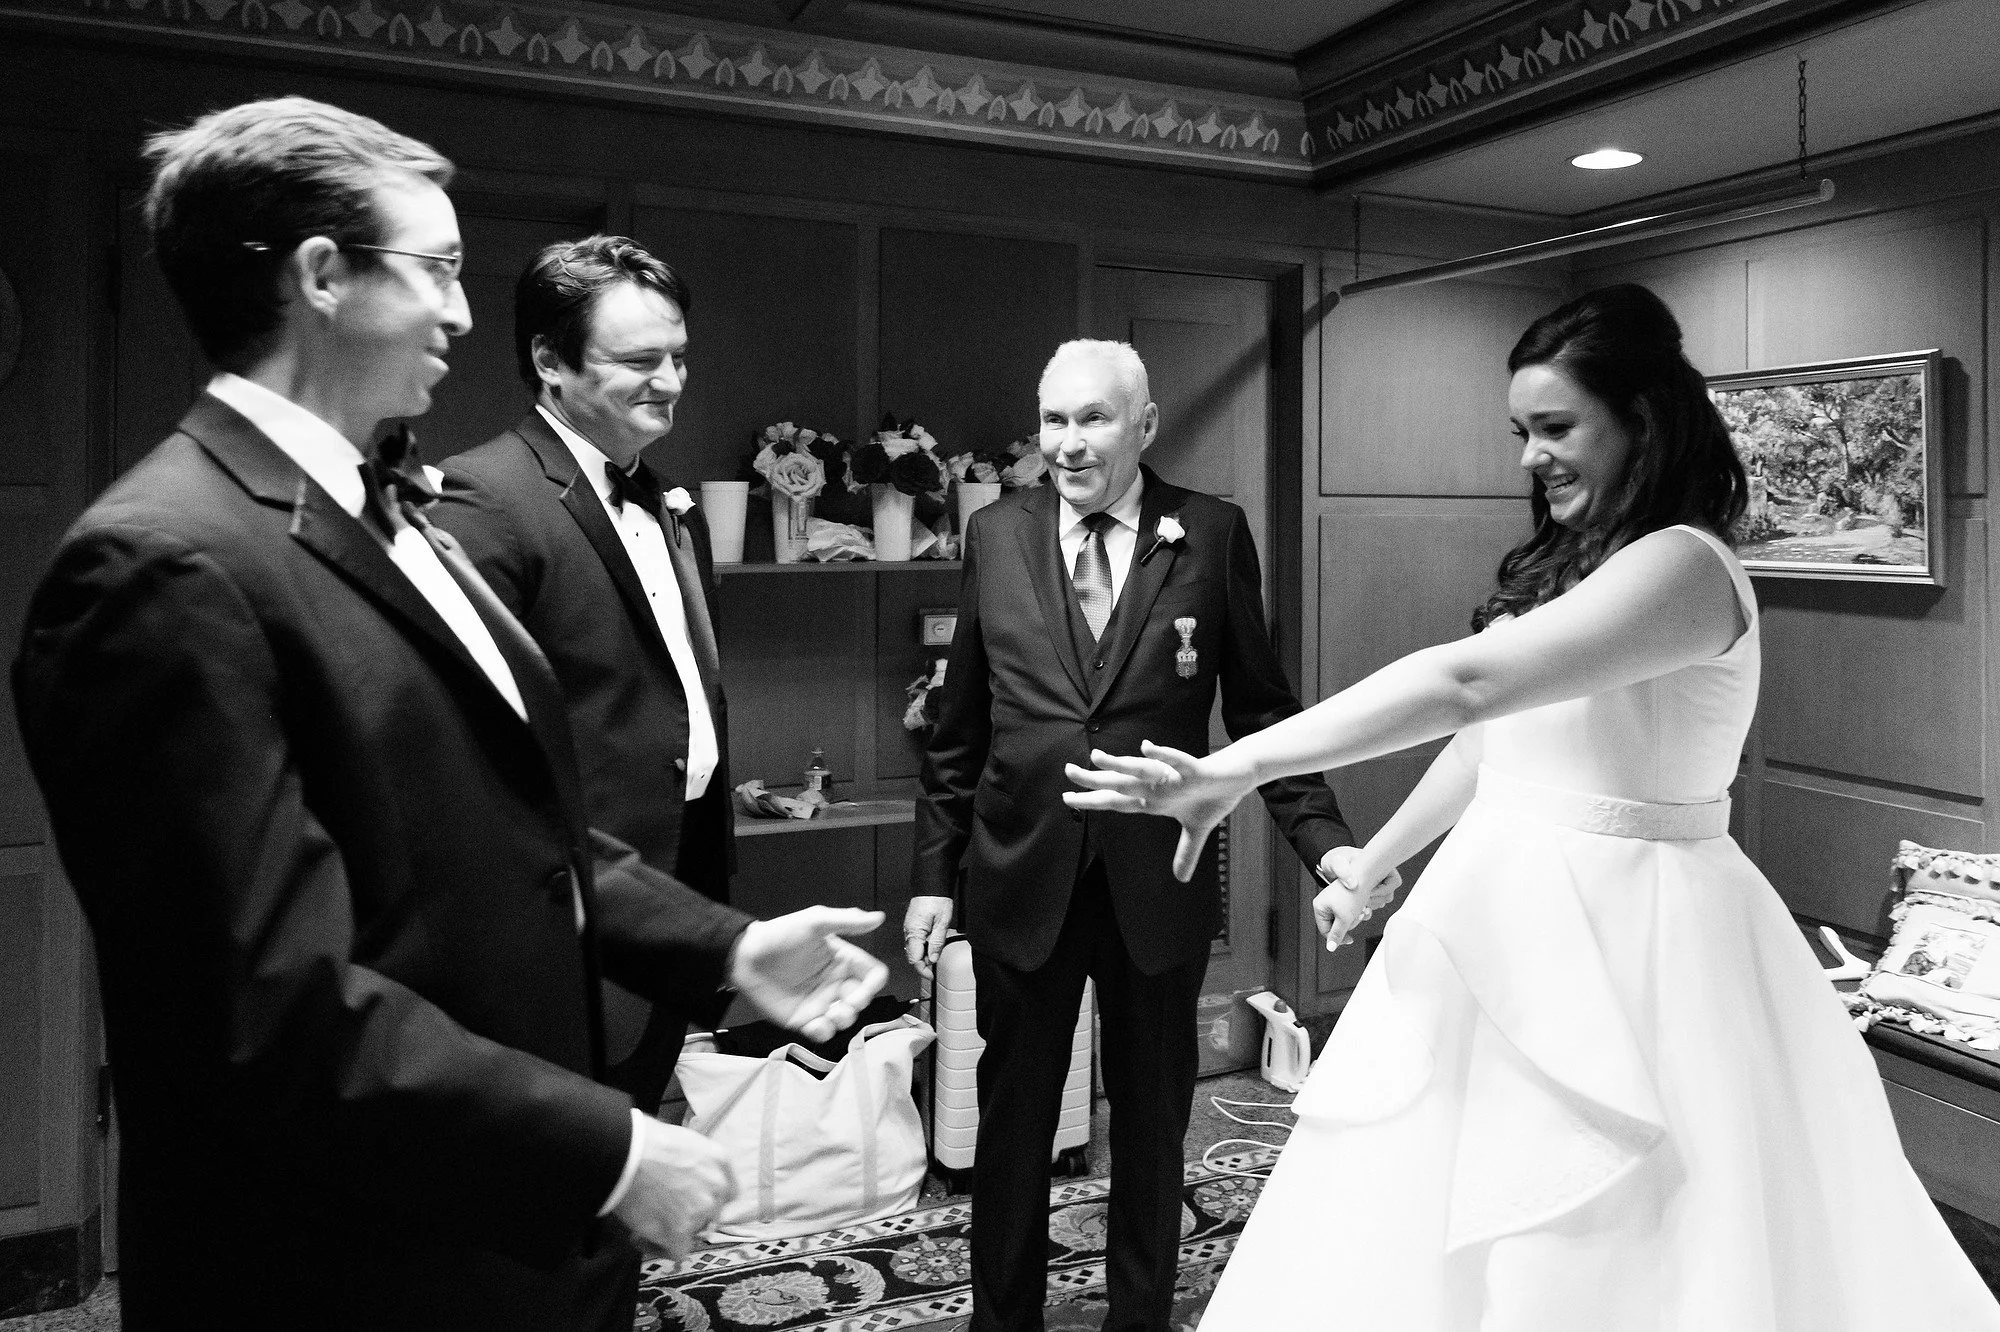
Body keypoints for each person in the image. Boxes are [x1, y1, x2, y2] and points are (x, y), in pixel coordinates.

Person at [11, 96, 886, 1332]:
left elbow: (510, 826)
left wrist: (720, 947)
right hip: (353, 1263)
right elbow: (265, 1011)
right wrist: (603, 1149)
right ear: (321, 276)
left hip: (506, 1234)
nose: (464, 313)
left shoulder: (394, 510)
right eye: (437, 270)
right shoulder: (163, 567)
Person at [1067, 285, 2000, 1329]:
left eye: (1555, 427)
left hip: (1638, 942)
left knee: (1606, 1236)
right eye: (1521, 431)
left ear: (1640, 418)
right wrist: (1375, 860)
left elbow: (1464, 684)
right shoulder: (1581, 565)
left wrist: (1228, 768)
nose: (1527, 456)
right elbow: (1492, 739)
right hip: (1492, 918)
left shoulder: (1684, 568)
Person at [906, 339, 1361, 1332]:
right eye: (1054, 419)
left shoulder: (1208, 532)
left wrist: (1321, 837)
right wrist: (933, 877)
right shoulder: (995, 533)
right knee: (1012, 1123)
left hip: (1158, 881)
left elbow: (1261, 714)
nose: (1068, 443)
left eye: (1094, 419)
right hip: (1020, 876)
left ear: (1144, 425)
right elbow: (960, 726)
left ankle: (1139, 1317)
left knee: (1153, 1125)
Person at [433, 236, 730, 1109]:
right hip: (559, 934)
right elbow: (478, 767)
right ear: (549, 362)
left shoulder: (673, 506)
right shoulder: (483, 500)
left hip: (670, 904)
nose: (671, 382)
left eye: (679, 357)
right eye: (640, 360)